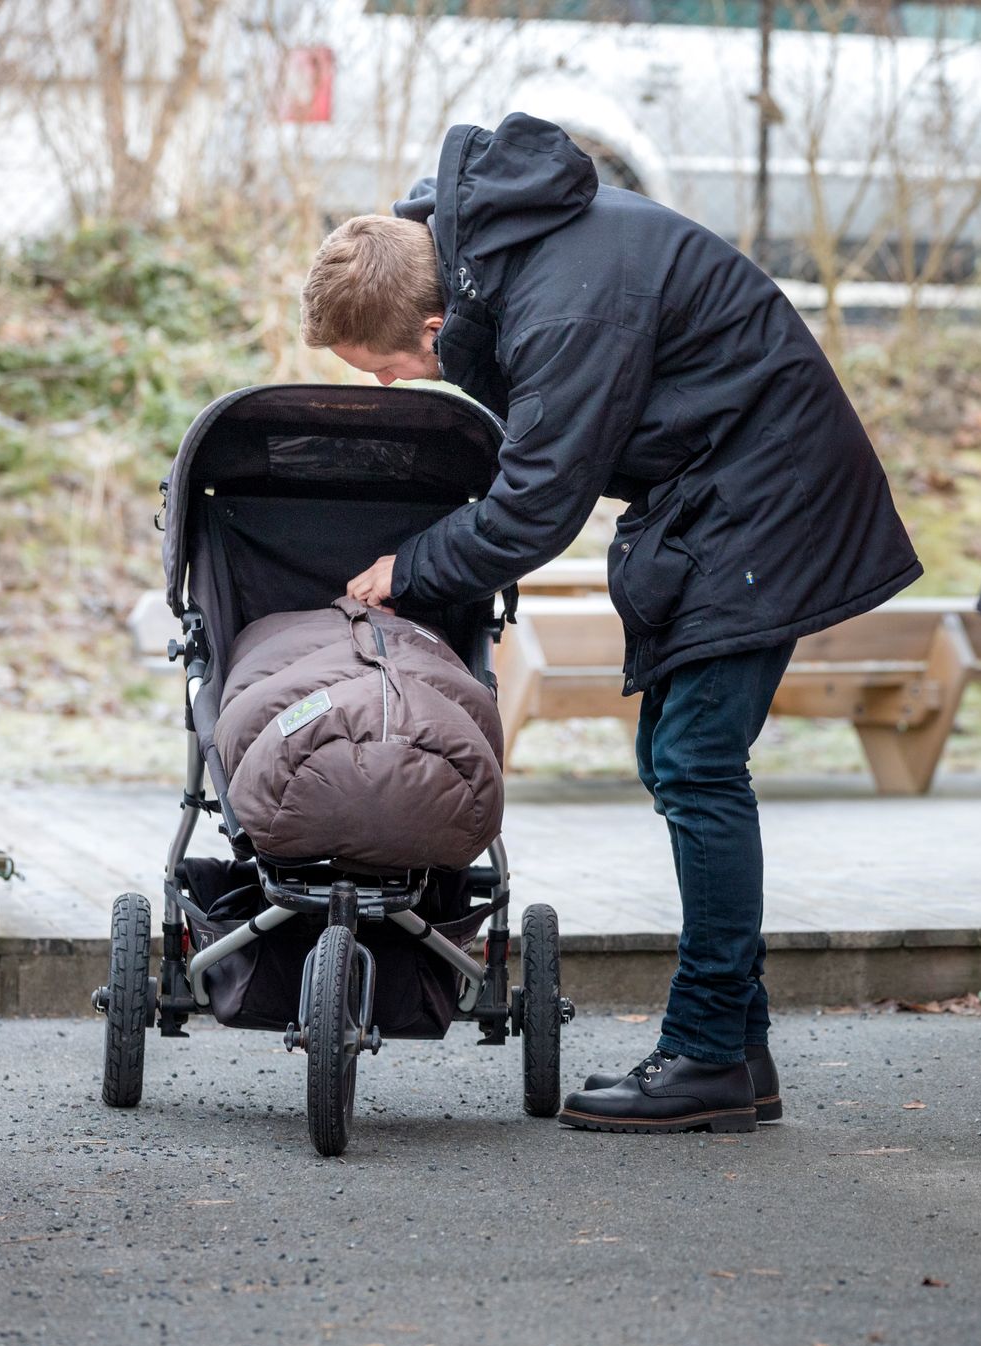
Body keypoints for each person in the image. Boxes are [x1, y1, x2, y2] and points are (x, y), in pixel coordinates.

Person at [299, 114, 921, 1134]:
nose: (387, 388)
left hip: (766, 493)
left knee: (695, 762)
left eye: (384, 369)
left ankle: (711, 1050)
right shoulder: (484, 251)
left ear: (427, 332)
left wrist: (409, 569)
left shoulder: (561, 307)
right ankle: (739, 1050)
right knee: (680, 759)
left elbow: (535, 505)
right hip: (715, 487)